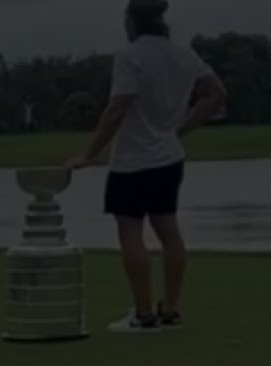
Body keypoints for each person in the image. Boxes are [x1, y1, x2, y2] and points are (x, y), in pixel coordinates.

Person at [65, 0, 227, 333]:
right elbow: (216, 94)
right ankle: (170, 310)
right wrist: (181, 127)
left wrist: (89, 153)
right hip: (169, 157)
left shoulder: (131, 55)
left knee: (131, 233)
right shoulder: (183, 54)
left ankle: (143, 314)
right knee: (169, 231)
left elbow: (117, 108)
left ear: (132, 21)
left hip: (132, 162)